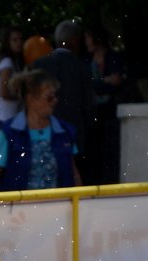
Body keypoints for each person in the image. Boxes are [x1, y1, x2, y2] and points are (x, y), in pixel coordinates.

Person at [0, 69, 82, 192]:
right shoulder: (8, 133)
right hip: (19, 204)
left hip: (59, 203)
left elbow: (73, 172)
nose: (55, 100)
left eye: (55, 96)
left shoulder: (65, 131)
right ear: (31, 99)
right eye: (49, 97)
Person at [33, 20, 95, 183]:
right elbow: (89, 106)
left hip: (43, 134)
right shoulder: (82, 68)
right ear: (75, 40)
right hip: (75, 135)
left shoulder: (39, 65)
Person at [84, 24, 124, 184]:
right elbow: (88, 85)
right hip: (93, 114)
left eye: (88, 37)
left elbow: (117, 82)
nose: (86, 41)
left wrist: (99, 83)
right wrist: (106, 80)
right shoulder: (86, 60)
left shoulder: (113, 57)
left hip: (109, 113)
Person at [0, 26, 25, 128]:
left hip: (6, 116)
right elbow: (3, 92)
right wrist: (20, 97)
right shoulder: (7, 63)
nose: (19, 43)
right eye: (15, 40)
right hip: (6, 117)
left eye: (20, 39)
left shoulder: (11, 62)